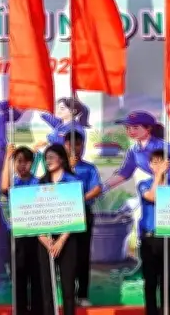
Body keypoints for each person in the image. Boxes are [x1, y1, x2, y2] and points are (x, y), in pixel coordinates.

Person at [0, 145, 43, 315]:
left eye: (26, 162)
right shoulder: (14, 183)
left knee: (36, 275)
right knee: (18, 275)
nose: (22, 165)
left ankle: (37, 310)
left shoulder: (39, 183)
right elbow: (4, 187)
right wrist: (7, 157)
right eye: (18, 161)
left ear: (32, 163)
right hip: (16, 234)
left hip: (36, 235)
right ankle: (20, 310)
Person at [36, 144, 79, 315]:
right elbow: (35, 212)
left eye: (52, 157)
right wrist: (43, 238)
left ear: (61, 159)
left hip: (67, 239)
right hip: (45, 240)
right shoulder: (41, 182)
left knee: (68, 287)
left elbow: (75, 212)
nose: (48, 161)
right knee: (47, 287)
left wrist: (61, 240)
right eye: (46, 158)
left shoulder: (72, 181)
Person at [63, 130, 102, 307]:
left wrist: (80, 199)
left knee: (83, 254)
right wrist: (69, 170)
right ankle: (67, 294)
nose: (74, 148)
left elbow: (97, 189)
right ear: (64, 146)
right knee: (66, 256)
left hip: (84, 213)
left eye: (78, 145)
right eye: (70, 145)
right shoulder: (58, 169)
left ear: (83, 146)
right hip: (62, 214)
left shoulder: (89, 168)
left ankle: (83, 294)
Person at [137, 150, 170, 315]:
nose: (158, 166)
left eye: (162, 162)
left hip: (169, 237)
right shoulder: (144, 184)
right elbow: (153, 197)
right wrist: (159, 175)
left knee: (167, 281)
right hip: (149, 238)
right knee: (150, 281)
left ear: (169, 164)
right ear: (149, 165)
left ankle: (167, 311)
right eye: (155, 162)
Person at [104, 111, 170, 190]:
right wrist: (103, 188)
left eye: (135, 127)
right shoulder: (133, 150)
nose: (131, 131)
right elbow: (124, 173)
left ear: (148, 128)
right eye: (128, 128)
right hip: (158, 186)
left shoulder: (167, 148)